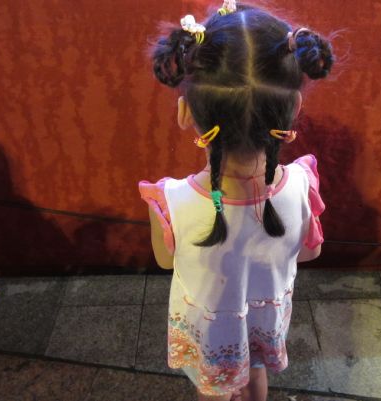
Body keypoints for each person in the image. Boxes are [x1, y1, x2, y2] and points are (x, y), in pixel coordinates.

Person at [138, 1, 334, 399]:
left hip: (211, 333)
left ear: (185, 112)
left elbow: (165, 261)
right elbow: (309, 252)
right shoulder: (303, 184)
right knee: (256, 371)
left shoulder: (172, 202)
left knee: (213, 388)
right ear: (294, 109)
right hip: (264, 324)